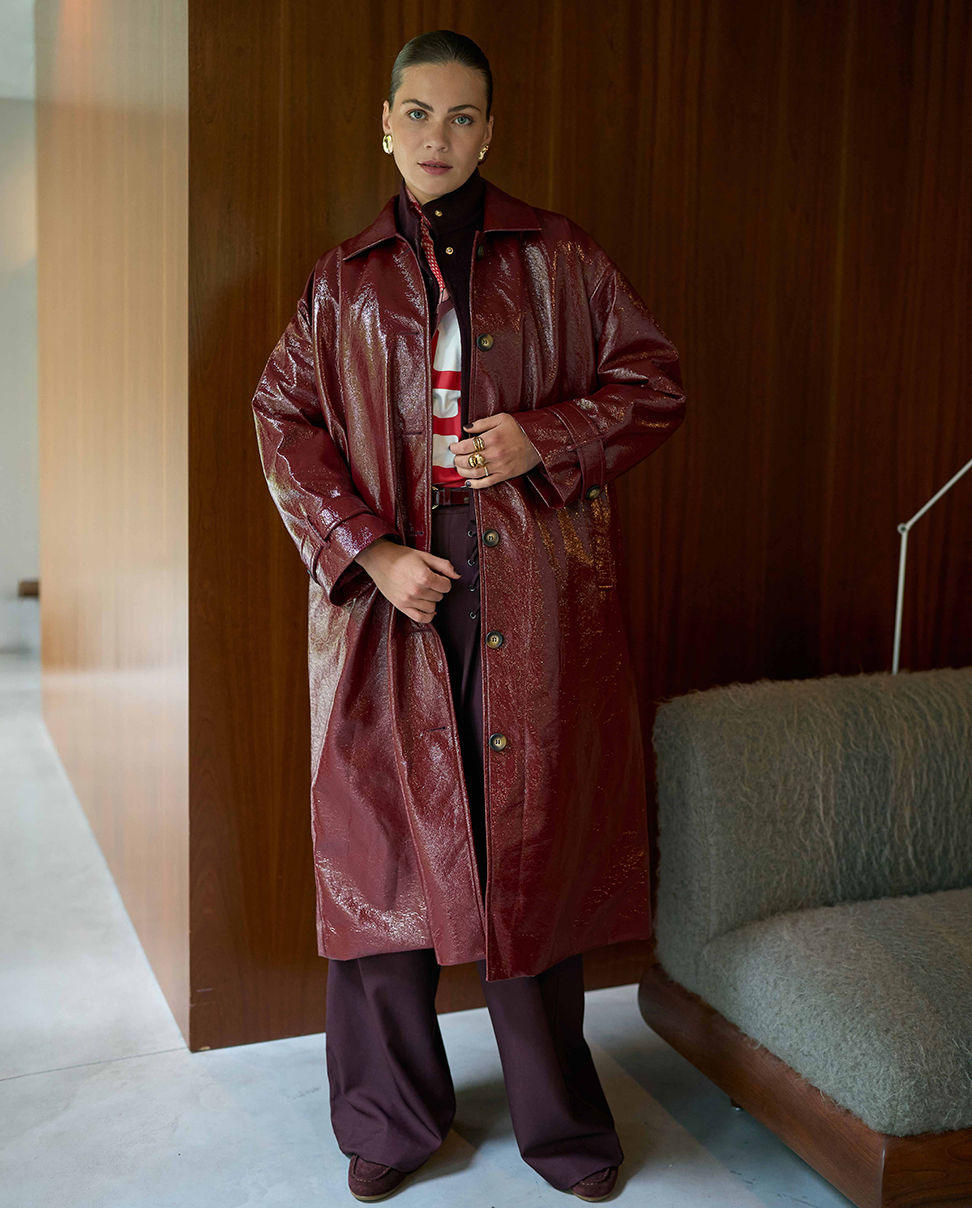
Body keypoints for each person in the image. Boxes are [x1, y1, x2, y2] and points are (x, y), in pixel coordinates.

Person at [251, 29, 685, 1203]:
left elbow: (653, 382)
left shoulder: (561, 257)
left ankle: (562, 1125)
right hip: (390, 598)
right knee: (380, 852)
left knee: (524, 851)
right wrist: (369, 548)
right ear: (383, 124)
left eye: (459, 116)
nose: (436, 136)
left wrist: (543, 436)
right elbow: (282, 421)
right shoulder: (342, 279)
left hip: (531, 588)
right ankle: (389, 1119)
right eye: (417, 112)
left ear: (489, 133)